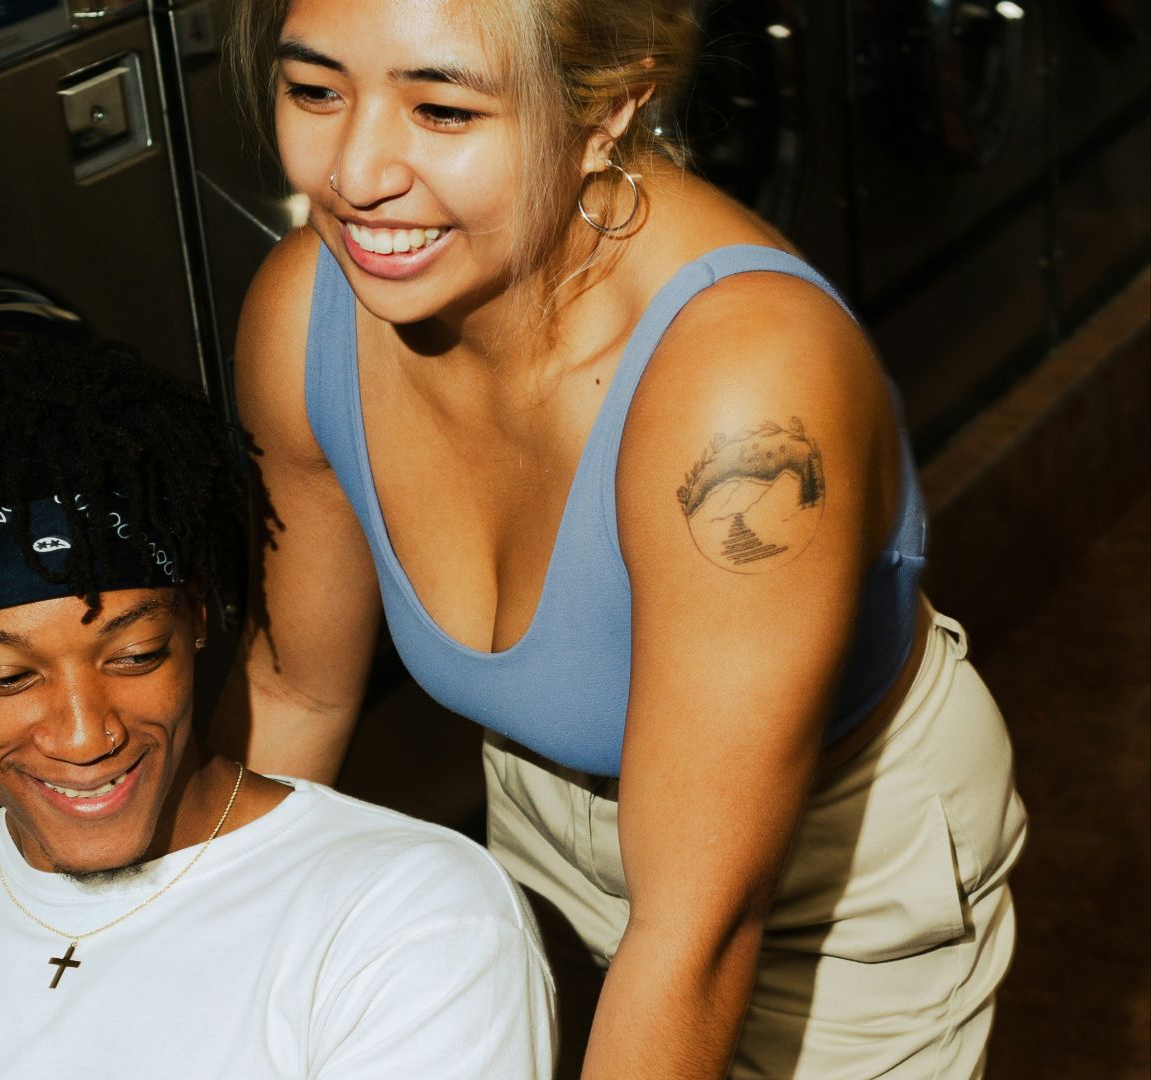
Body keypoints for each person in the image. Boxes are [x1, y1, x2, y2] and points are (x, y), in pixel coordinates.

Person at [215, 0, 1029, 1076]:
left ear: (613, 109)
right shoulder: (304, 316)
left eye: (443, 109)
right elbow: (295, 699)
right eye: (315, 91)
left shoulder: (742, 389)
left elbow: (695, 936)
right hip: (543, 798)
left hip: (834, 874)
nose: (355, 172)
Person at [0, 331, 554, 1078]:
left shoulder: (405, 917)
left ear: (198, 618)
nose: (87, 734)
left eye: (133, 656)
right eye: (10, 678)